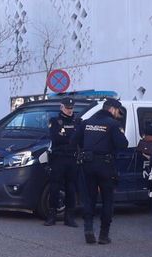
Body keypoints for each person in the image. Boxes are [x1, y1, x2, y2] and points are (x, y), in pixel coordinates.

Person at [78, 98, 128, 245]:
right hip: (105, 166)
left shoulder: (86, 122)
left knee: (89, 198)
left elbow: (74, 141)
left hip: (87, 164)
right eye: (118, 111)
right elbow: (123, 144)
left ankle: (88, 230)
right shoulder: (113, 124)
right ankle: (103, 235)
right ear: (112, 109)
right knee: (107, 199)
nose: (118, 114)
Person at [44, 97, 81, 227]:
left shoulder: (78, 121)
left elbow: (79, 139)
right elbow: (56, 138)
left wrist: (66, 138)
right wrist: (71, 138)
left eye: (71, 108)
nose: (70, 110)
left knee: (71, 188)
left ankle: (69, 217)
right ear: (61, 107)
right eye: (67, 108)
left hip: (72, 158)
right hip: (58, 158)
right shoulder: (55, 121)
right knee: (54, 187)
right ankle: (52, 216)